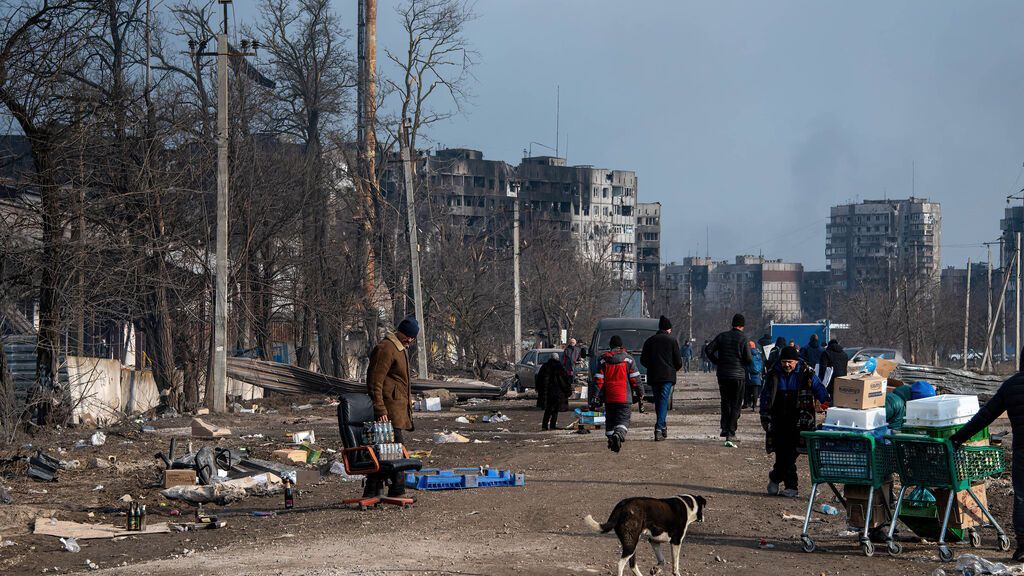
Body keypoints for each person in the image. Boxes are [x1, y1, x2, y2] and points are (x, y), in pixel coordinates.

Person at [949, 368, 1024, 561]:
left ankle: (1023, 547)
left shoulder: (1010, 386)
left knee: (1022, 498)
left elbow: (985, 415)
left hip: (1022, 451)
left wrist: (959, 437)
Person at [759, 346, 829, 498]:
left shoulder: (806, 373)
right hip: (778, 418)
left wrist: (826, 402)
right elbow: (765, 395)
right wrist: (763, 413)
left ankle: (775, 477)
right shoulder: (773, 373)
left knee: (792, 452)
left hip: (800, 419)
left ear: (796, 361)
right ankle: (791, 487)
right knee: (781, 452)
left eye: (789, 362)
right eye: (784, 361)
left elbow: (818, 388)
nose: (787, 365)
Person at [366, 317, 418, 498]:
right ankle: (397, 491)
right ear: (400, 332)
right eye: (408, 335)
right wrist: (380, 409)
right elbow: (374, 382)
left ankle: (374, 492)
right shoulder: (386, 348)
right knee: (395, 451)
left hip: (396, 411)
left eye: (412, 337)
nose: (409, 339)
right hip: (387, 412)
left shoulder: (399, 348)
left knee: (388, 452)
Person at [706, 314, 753, 448]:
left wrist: (717, 362)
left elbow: (708, 349)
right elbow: (748, 359)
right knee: (736, 403)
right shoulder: (743, 339)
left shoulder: (722, 336)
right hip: (738, 376)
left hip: (723, 374)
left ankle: (724, 428)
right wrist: (742, 365)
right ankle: (731, 431)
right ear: (742, 326)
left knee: (725, 402)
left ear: (732, 324)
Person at [595, 335, 642, 453]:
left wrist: (594, 396)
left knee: (610, 421)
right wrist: (640, 392)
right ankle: (618, 434)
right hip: (624, 397)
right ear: (621, 346)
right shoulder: (629, 360)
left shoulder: (603, 360)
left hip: (609, 398)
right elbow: (635, 379)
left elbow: (598, 381)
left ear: (610, 346)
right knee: (623, 420)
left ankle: (611, 439)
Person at [641, 316, 683, 441]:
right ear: (668, 329)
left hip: (654, 376)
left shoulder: (650, 341)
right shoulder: (672, 341)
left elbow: (643, 360)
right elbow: (678, 361)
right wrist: (673, 369)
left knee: (659, 400)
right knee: (663, 400)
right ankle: (659, 428)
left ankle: (662, 426)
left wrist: (652, 366)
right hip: (667, 376)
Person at [537, 355, 572, 430]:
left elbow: (540, 379)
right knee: (555, 410)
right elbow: (565, 380)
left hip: (548, 392)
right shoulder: (560, 367)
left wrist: (540, 390)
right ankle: (552, 425)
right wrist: (567, 391)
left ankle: (544, 426)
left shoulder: (545, 367)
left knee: (548, 409)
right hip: (558, 392)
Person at [743, 340, 764, 411]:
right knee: (756, 391)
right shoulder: (758, 354)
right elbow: (762, 363)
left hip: (749, 374)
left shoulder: (747, 354)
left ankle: (747, 403)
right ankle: (754, 405)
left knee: (747, 390)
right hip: (757, 375)